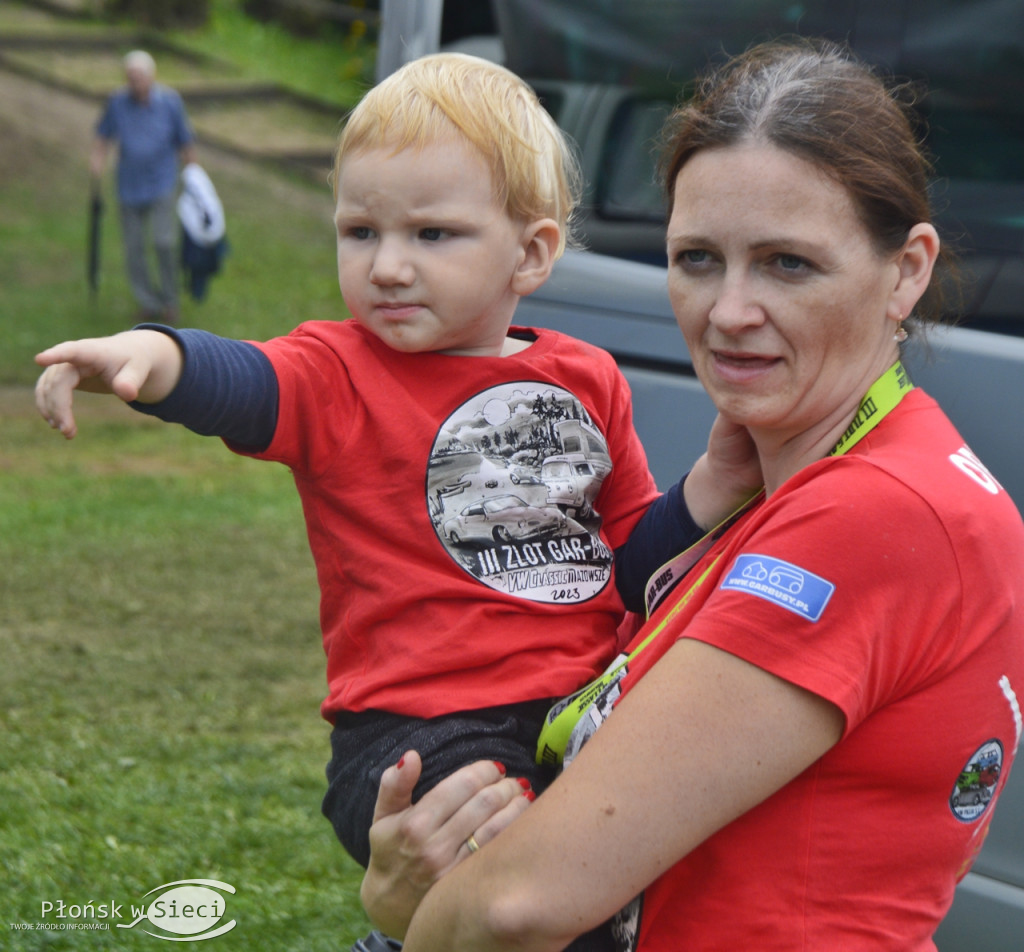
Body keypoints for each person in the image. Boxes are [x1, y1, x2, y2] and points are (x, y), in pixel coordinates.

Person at [36, 50, 756, 925]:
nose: (385, 266)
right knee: (528, 886)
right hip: (421, 733)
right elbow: (238, 378)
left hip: (582, 705)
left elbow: (631, 554)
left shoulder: (587, 378)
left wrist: (718, 480)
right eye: (360, 232)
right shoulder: (335, 372)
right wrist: (148, 357)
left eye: (430, 234)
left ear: (530, 252)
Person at [356, 38, 1024, 951]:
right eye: (698, 258)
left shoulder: (873, 512)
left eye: (788, 264)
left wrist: (410, 922)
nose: (728, 312)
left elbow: (521, 905)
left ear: (905, 270)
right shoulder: (786, 474)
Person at [91, 50, 197, 324]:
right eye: (130, 77)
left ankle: (171, 301)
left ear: (152, 77)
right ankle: (148, 302)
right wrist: (97, 163)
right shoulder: (117, 102)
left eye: (139, 77)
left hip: (162, 181)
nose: (134, 82)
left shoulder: (171, 102)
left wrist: (193, 172)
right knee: (134, 247)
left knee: (164, 242)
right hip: (128, 185)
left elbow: (185, 141)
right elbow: (103, 136)